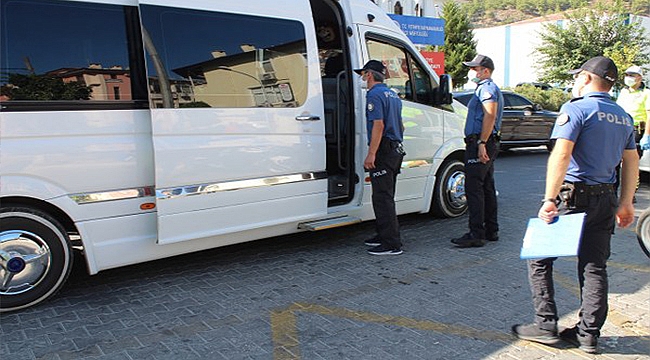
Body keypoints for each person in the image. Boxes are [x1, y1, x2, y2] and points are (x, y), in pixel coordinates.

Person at [512, 56, 638, 354]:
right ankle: (588, 334)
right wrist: (626, 204)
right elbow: (630, 160)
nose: (574, 82)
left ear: (585, 78)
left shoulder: (576, 108)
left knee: (539, 258)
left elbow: (561, 155)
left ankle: (545, 325)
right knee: (594, 267)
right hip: (606, 198)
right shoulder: (623, 116)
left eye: (576, 77)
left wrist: (549, 200)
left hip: (572, 198)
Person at [450, 54, 503, 248]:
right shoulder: (486, 88)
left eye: (476, 69)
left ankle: (476, 233)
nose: (474, 72)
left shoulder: (487, 88)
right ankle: (491, 230)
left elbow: (490, 114)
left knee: (474, 189)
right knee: (486, 187)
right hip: (486, 142)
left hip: (480, 143)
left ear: (486, 71)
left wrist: (482, 142)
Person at [354, 60, 405, 256]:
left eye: (363, 74)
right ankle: (383, 234)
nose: (362, 78)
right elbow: (401, 126)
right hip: (394, 149)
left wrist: (372, 153)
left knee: (382, 198)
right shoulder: (393, 94)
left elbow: (378, 125)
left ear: (369, 74)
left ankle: (392, 244)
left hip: (383, 151)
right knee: (386, 195)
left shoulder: (374, 95)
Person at [617, 65, 650, 150]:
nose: (628, 77)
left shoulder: (646, 93)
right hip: (621, 127)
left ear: (639, 78)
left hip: (636, 130)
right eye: (627, 75)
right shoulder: (624, 91)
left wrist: (647, 134)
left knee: (631, 158)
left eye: (631, 75)